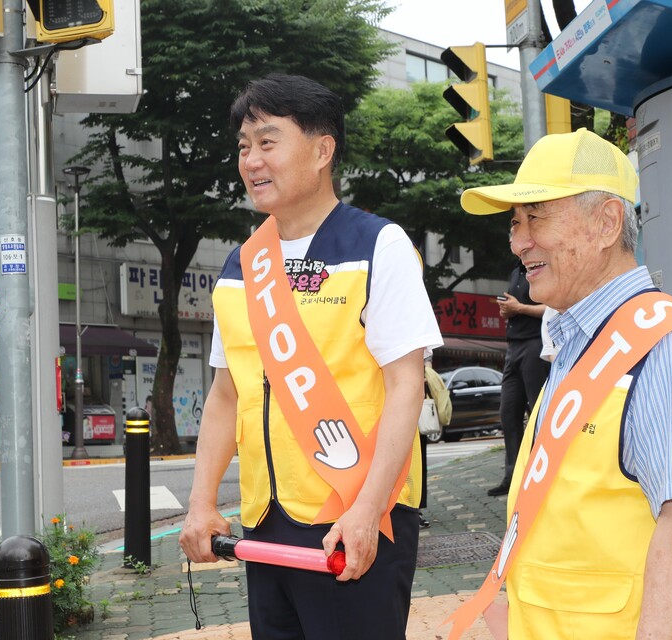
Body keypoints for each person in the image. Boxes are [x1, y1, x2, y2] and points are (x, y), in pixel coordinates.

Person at [179, 74, 442, 640]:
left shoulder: (377, 245)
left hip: (353, 514)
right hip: (265, 522)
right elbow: (228, 394)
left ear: (322, 150)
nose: (251, 160)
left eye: (268, 142)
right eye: (244, 146)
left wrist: (367, 510)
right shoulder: (240, 266)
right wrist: (202, 504)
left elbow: (406, 385)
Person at [450, 128, 672, 639]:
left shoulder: (663, 347)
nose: (519, 242)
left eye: (536, 216)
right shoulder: (576, 341)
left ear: (608, 222)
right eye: (515, 223)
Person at [488, 261, 550, 496]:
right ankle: (512, 476)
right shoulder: (515, 271)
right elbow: (514, 308)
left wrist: (520, 308)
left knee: (538, 412)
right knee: (508, 414)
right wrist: (507, 310)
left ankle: (542, 475)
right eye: (512, 232)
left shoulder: (543, 266)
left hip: (536, 343)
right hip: (512, 345)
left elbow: (552, 308)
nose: (514, 239)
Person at [419, 358, 452, 528]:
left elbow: (427, 358)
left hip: (414, 384)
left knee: (417, 457)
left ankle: (415, 508)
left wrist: (424, 373)